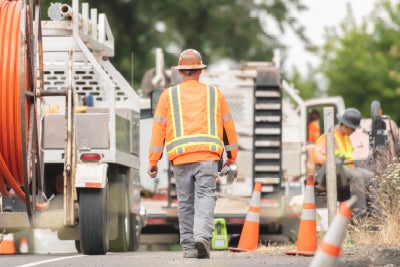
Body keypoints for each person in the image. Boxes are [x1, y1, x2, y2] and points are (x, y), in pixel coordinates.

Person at [147, 49, 238, 259]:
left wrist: (153, 161)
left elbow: (158, 130)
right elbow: (229, 128)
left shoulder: (167, 95)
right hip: (208, 157)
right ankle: (202, 238)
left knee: (185, 201)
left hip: (180, 158)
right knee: (205, 195)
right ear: (199, 71)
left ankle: (188, 247)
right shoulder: (215, 94)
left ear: (180, 72)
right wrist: (232, 157)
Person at [311, 108, 376, 219]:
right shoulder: (328, 137)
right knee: (356, 177)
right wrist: (333, 161)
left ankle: (374, 216)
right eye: (353, 129)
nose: (354, 131)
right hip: (328, 172)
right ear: (344, 125)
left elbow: (349, 159)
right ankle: (359, 219)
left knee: (370, 177)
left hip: (345, 171)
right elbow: (316, 157)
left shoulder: (345, 138)